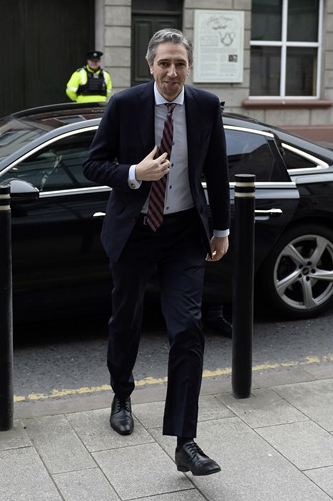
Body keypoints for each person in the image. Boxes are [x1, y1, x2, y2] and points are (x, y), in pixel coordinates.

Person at [83, 29, 230, 476]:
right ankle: (122, 393)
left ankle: (186, 441)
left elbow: (218, 171)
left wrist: (221, 229)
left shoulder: (205, 106)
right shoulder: (125, 105)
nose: (171, 72)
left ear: (189, 67)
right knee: (126, 318)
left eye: (179, 64)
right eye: (164, 63)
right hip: (135, 232)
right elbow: (93, 164)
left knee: (187, 328)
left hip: (185, 233)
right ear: (150, 66)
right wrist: (134, 172)